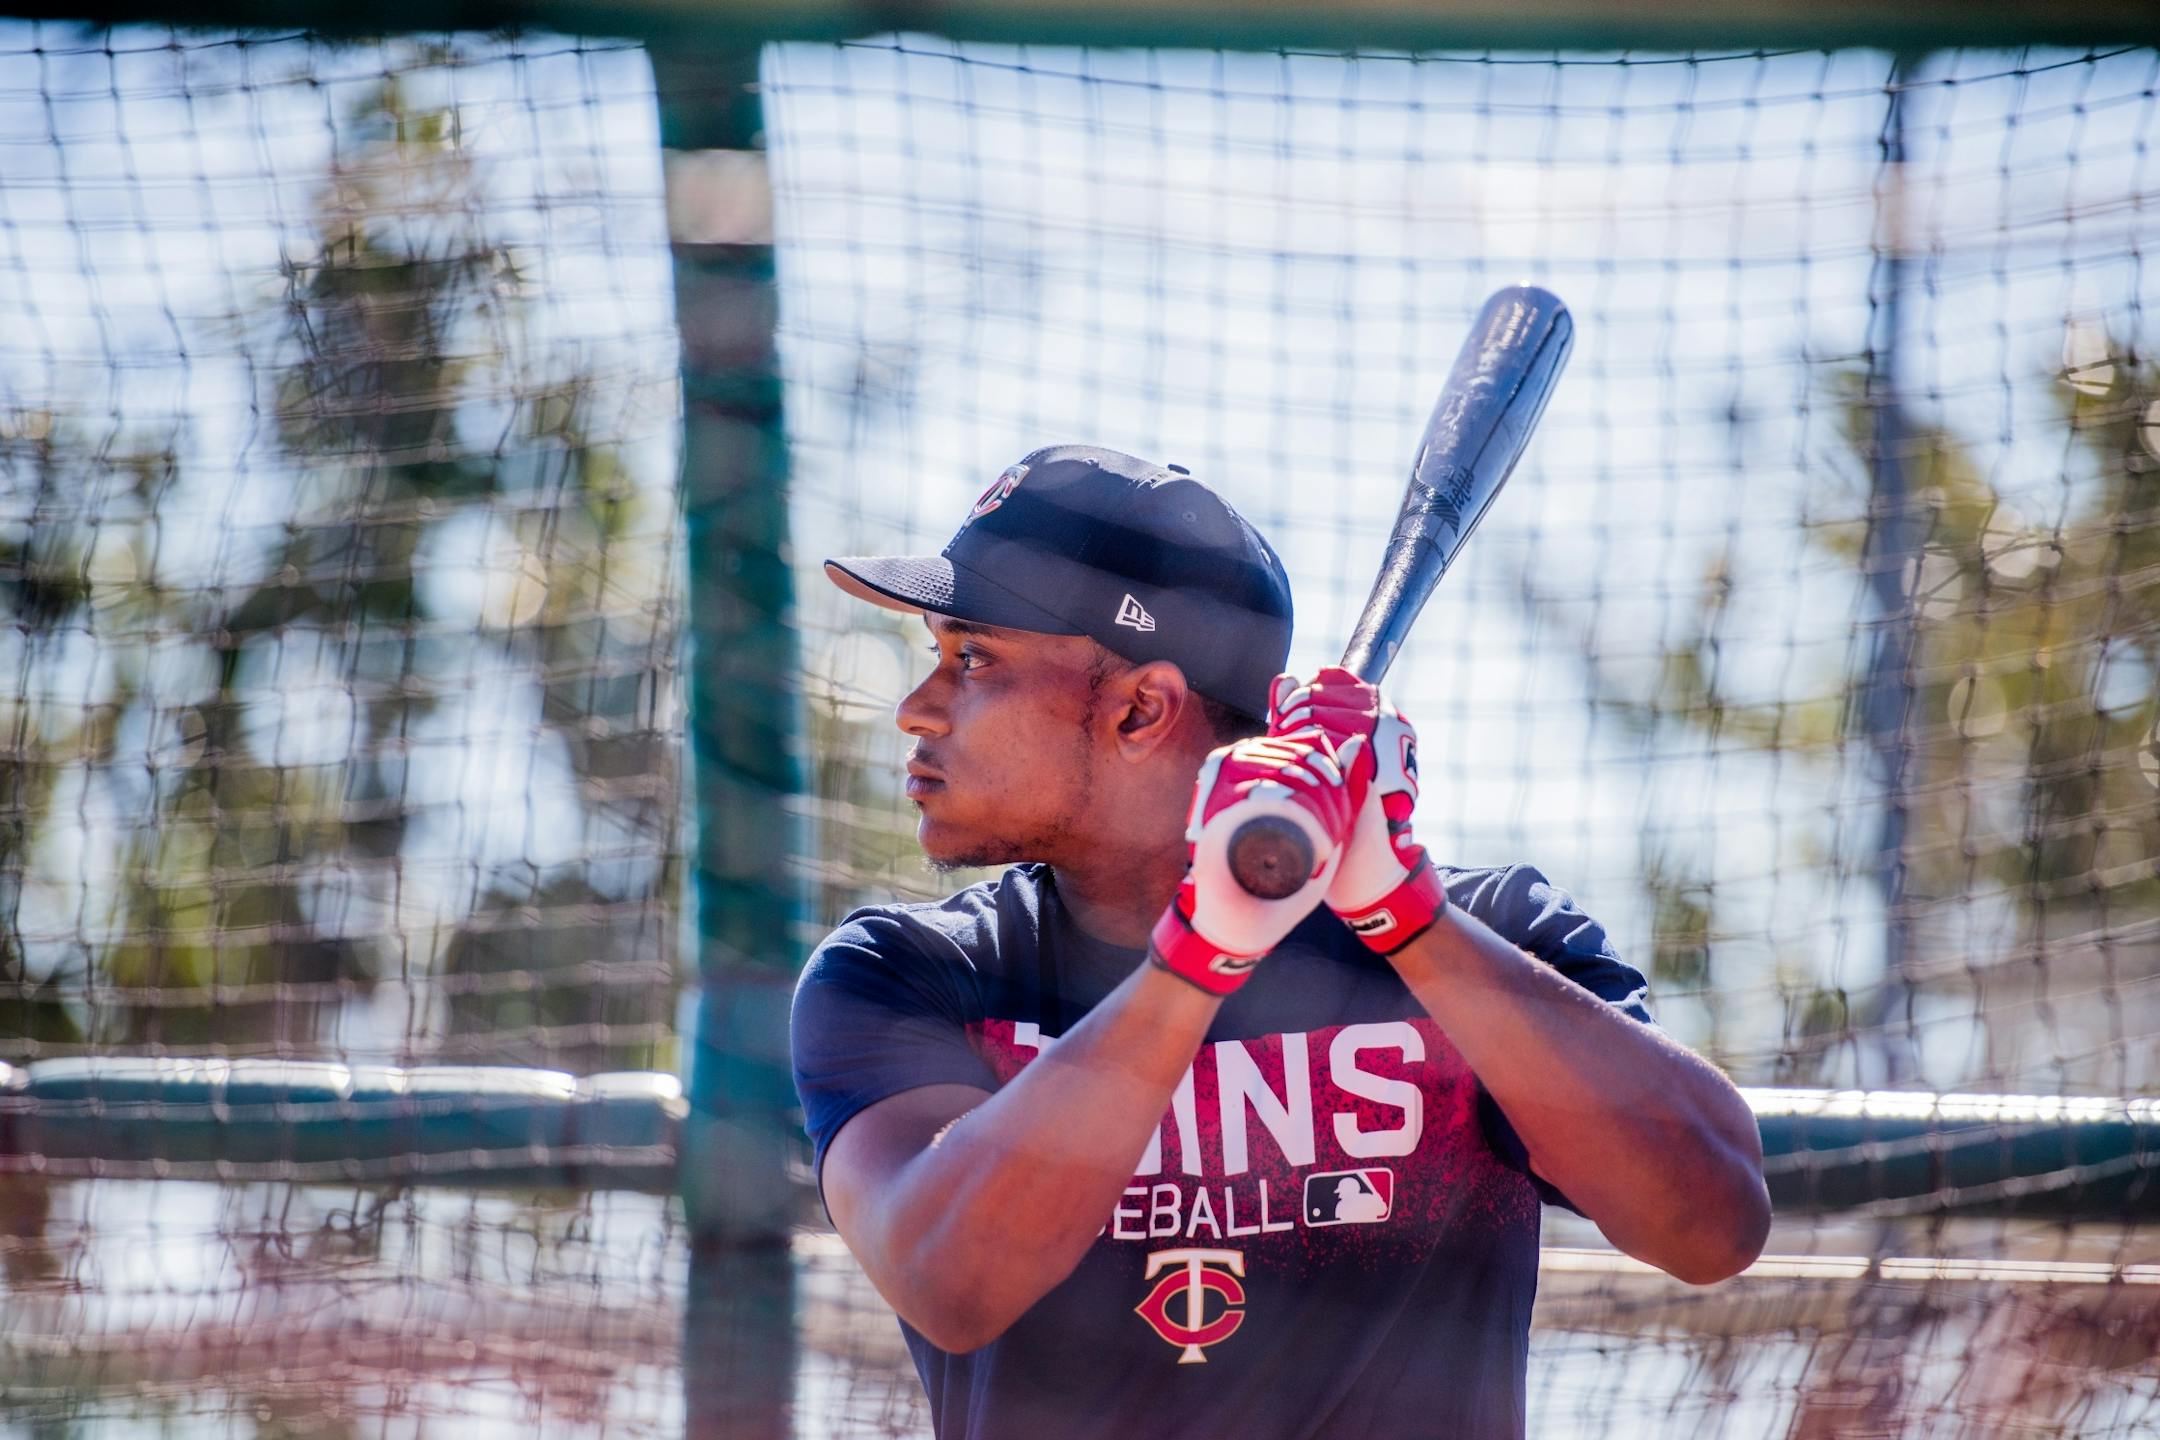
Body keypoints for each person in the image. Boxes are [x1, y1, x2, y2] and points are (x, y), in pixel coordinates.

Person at [791, 445, 1770, 1440]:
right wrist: (1201, 953)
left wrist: (1402, 910)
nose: (917, 708)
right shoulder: (908, 974)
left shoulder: (1485, 941)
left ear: (1142, 708)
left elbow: (1714, 1223)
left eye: (971, 659)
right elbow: (950, 1276)